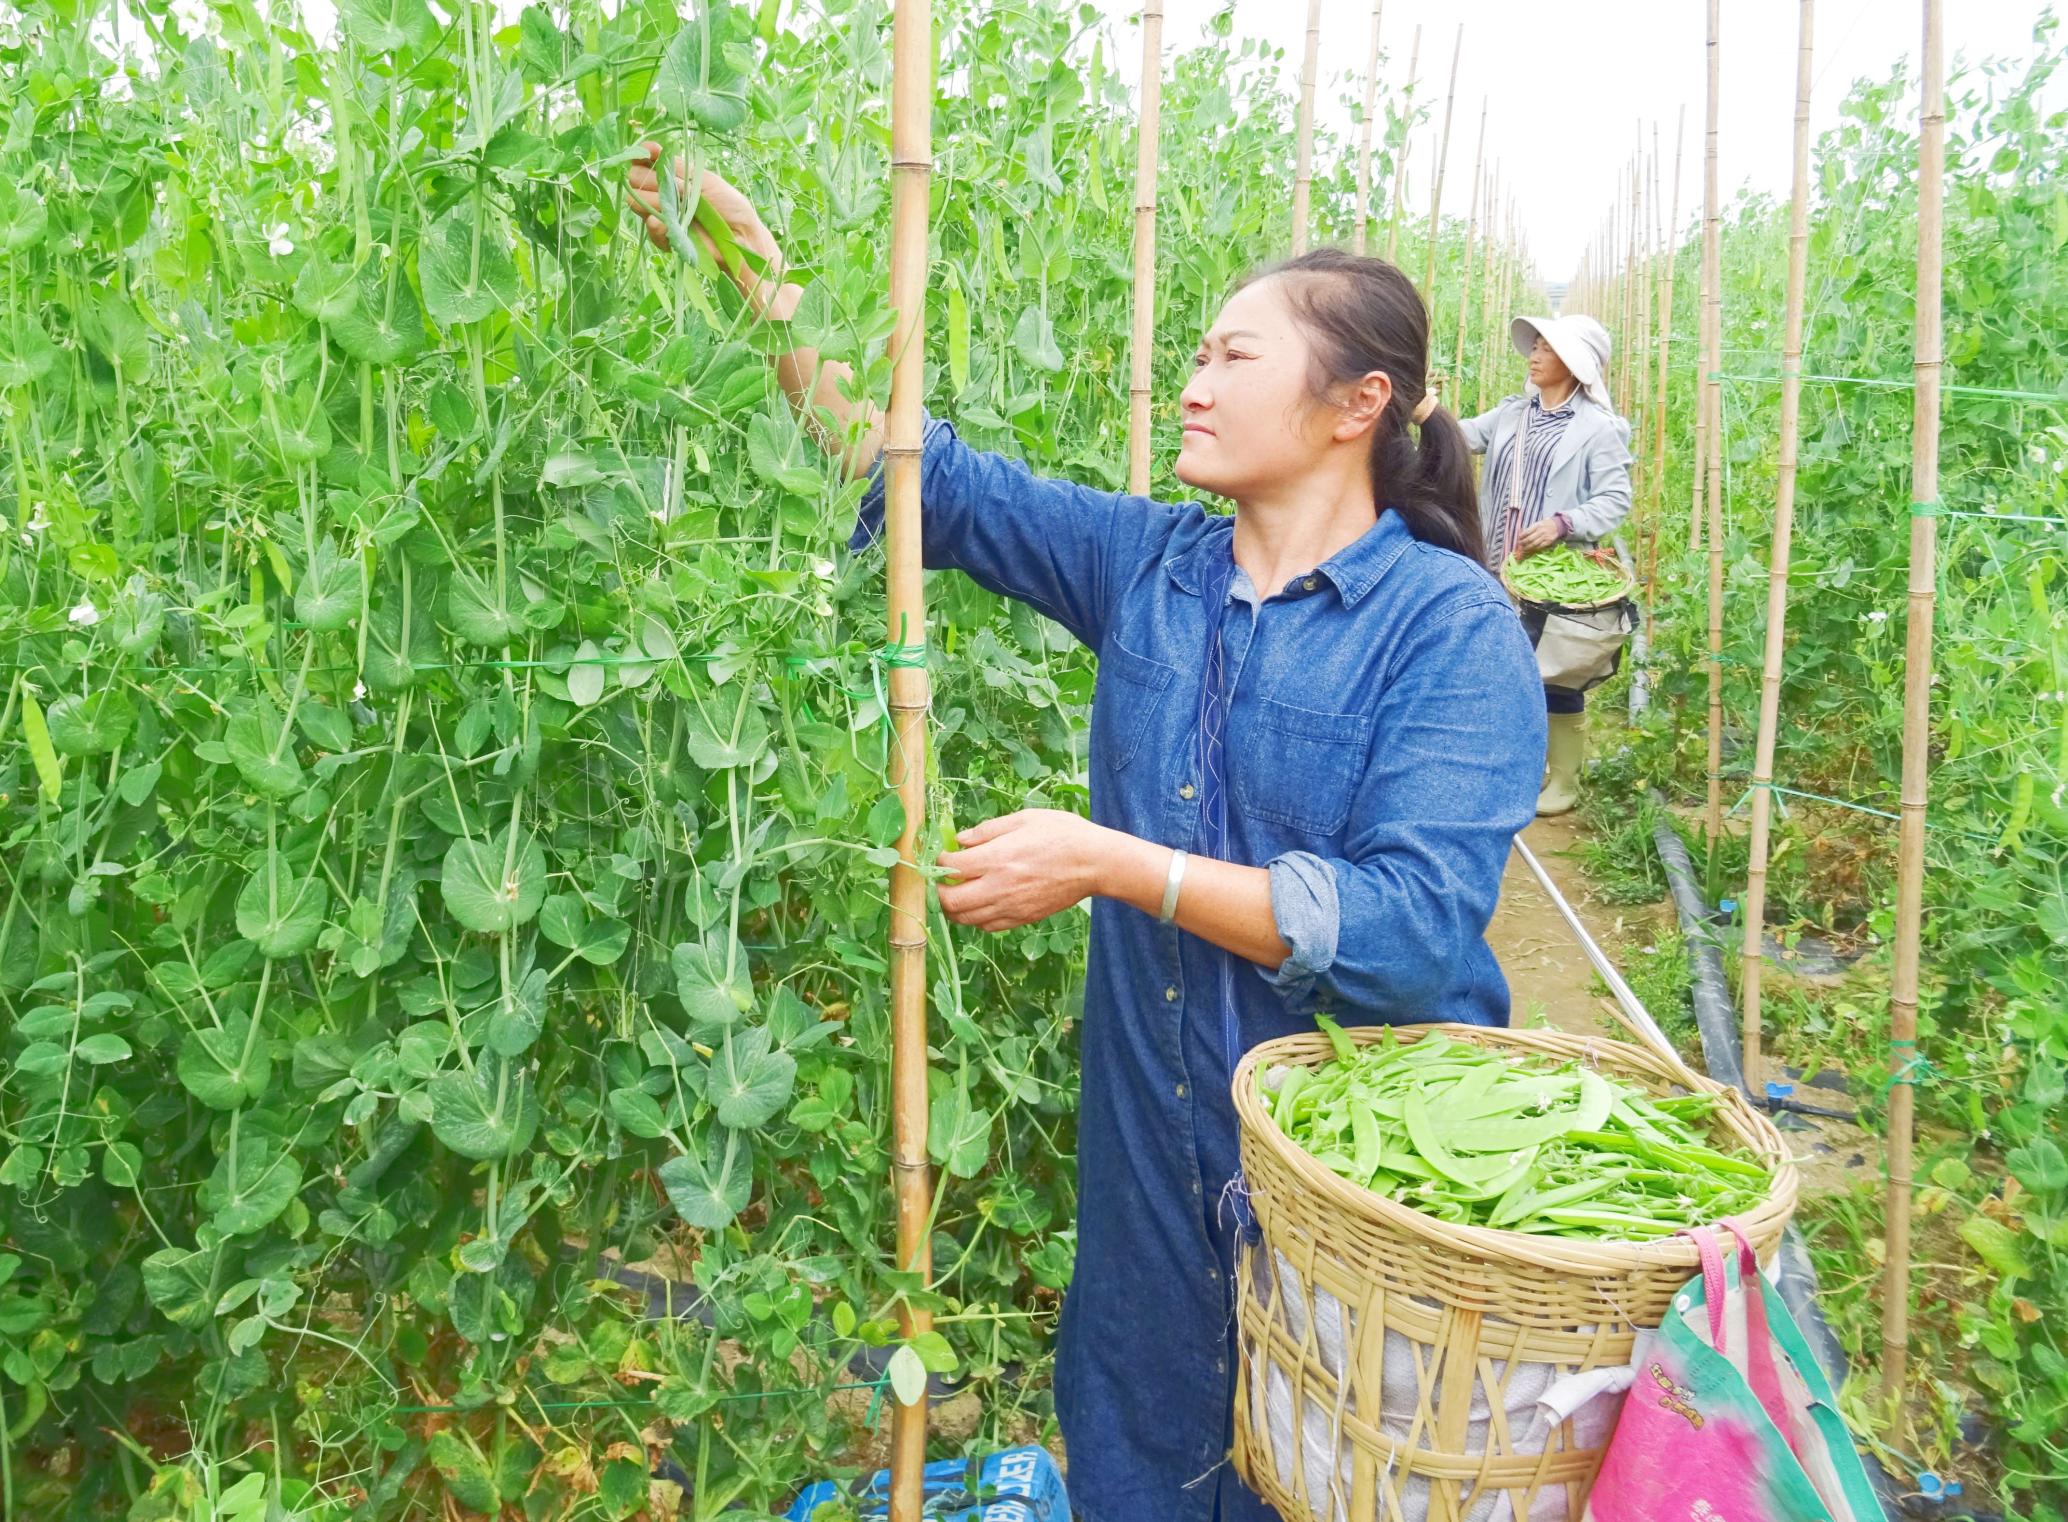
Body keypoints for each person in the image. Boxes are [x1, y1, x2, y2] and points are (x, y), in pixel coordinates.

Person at [626, 148, 1545, 1522]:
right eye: (1196, 353)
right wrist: (758, 276)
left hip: (1363, 1201)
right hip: (1154, 1179)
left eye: (1237, 356)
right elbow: (924, 472)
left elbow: (1408, 937)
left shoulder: (1449, 628)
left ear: (1358, 402)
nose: (1195, 382)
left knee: (1342, 1484)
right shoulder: (1154, 564)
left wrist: (1115, 862)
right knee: (1146, 1470)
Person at [1429, 315, 1632, 815]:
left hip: (1550, 574)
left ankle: (1563, 780)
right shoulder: (1513, 414)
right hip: (1497, 561)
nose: (1534, 355)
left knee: (1555, 672)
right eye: (1534, 346)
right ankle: (1506, 770)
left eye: (1547, 348)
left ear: (1576, 365)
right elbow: (1459, 435)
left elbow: (1615, 498)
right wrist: (1424, 408)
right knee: (1497, 665)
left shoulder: (1598, 429)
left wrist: (1563, 523)